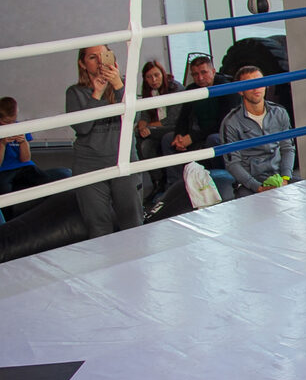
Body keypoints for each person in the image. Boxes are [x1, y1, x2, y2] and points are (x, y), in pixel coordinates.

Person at [66, 45, 144, 237]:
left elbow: (134, 120)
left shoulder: (124, 86)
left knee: (132, 221)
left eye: (104, 56)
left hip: (123, 159)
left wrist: (118, 86)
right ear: (82, 64)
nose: (100, 61)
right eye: (93, 57)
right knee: (98, 225)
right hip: (89, 164)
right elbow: (82, 128)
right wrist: (96, 94)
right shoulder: (75, 92)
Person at [219, 65, 295, 197]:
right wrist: (258, 187)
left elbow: (288, 148)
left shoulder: (280, 112)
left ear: (266, 85)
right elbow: (233, 163)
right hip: (250, 184)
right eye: (249, 84)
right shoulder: (230, 122)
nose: (256, 88)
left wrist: (285, 178)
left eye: (260, 82)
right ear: (240, 91)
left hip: (280, 177)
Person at [161, 54, 235, 176]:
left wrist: (192, 137)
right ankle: (177, 185)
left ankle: (224, 179)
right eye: (195, 74)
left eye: (204, 72)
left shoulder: (226, 88)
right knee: (168, 139)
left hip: (222, 132)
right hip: (199, 132)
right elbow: (183, 117)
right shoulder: (191, 89)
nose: (200, 78)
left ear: (213, 71)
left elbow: (224, 123)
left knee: (213, 139)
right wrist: (179, 135)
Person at [0, 95, 72, 197]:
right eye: (6, 122)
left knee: (55, 176)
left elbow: (26, 159)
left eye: (13, 121)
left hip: (24, 168)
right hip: (3, 171)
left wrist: (23, 142)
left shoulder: (20, 127)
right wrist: (2, 144)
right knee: (4, 189)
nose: (10, 125)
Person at [134, 59, 183, 199]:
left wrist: (150, 127)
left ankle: (168, 182)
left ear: (163, 74)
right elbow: (144, 116)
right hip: (155, 127)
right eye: (149, 77)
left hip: (173, 126)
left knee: (151, 135)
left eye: (156, 75)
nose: (153, 80)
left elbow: (173, 119)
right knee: (138, 137)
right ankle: (156, 181)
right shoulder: (148, 92)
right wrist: (143, 125)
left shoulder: (176, 88)